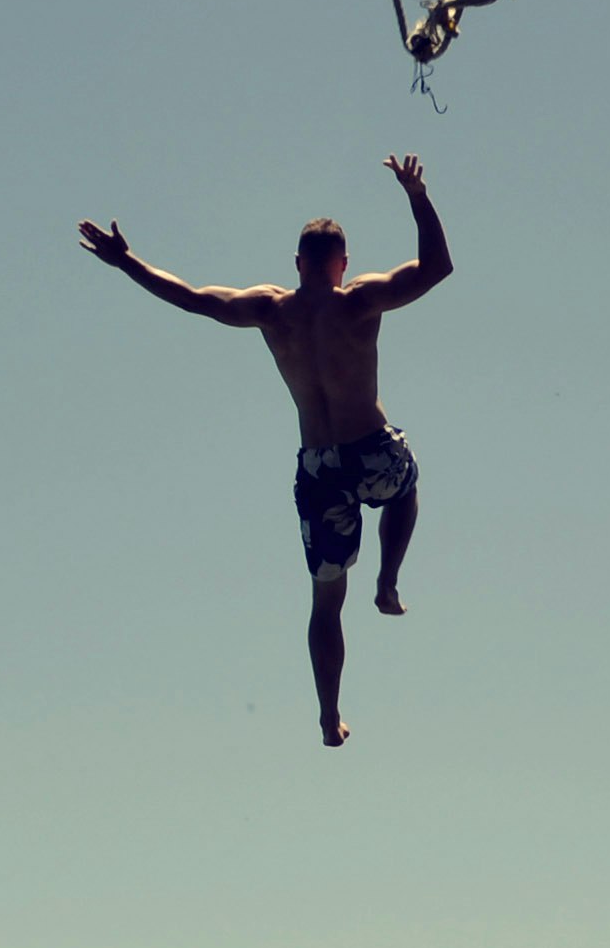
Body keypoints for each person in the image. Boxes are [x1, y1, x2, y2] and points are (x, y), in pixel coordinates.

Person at [76, 153, 451, 747]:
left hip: (320, 468)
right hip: (369, 451)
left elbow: (193, 297)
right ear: (342, 263)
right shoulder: (361, 300)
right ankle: (388, 583)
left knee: (326, 602)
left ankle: (329, 715)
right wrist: (416, 195)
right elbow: (437, 268)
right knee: (404, 481)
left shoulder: (271, 309)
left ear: (298, 263)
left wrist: (128, 264)